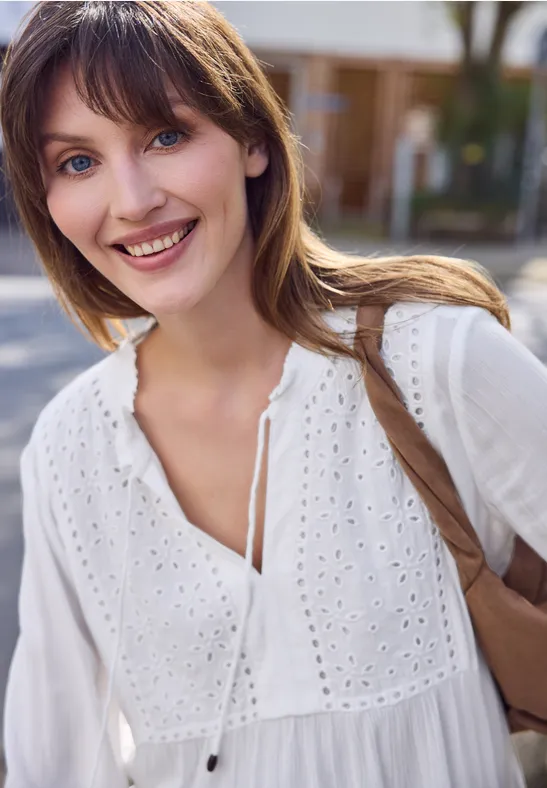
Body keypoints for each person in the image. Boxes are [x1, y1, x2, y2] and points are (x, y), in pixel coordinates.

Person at [1, 2, 545, 787]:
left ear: (253, 140)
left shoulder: (436, 361)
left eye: (164, 135)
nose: (130, 199)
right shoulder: (70, 448)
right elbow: (50, 760)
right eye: (77, 162)